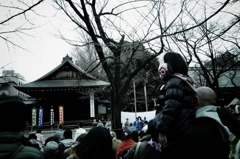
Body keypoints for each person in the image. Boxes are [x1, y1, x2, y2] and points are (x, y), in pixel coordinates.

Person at [155, 52, 198, 146]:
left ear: (166, 67)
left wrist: (163, 129)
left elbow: (171, 107)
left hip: (176, 131)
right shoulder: (184, 80)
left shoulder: (174, 82)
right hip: (184, 127)